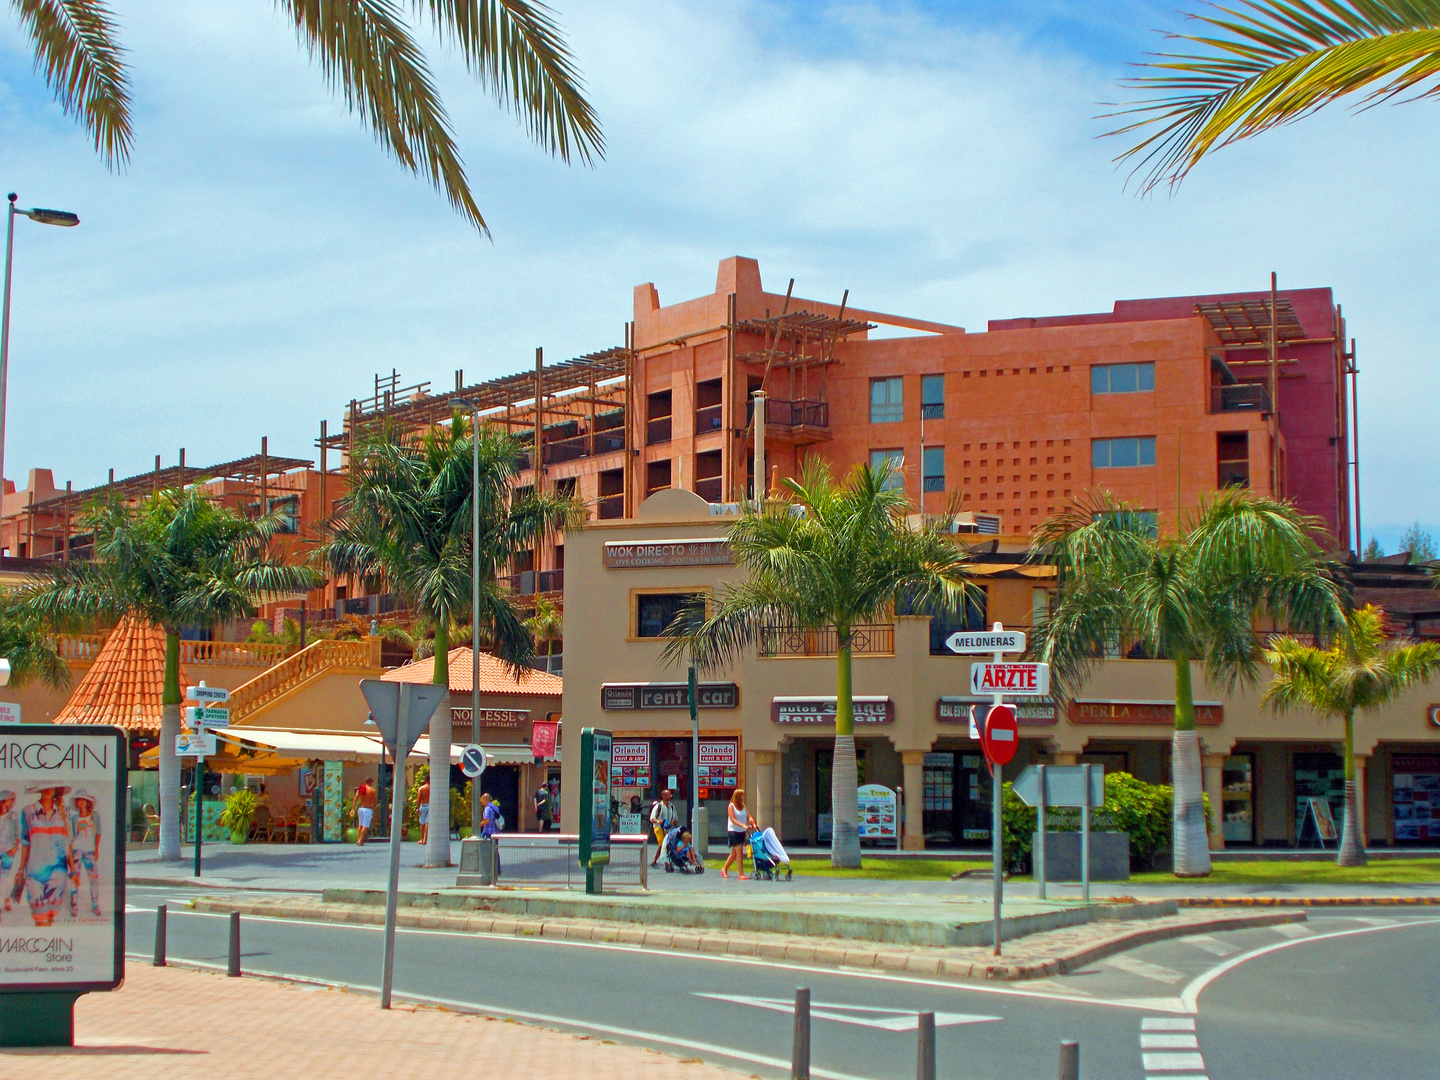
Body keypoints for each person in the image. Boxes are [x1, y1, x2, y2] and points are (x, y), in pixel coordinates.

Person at [10, 783, 73, 926]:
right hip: (35, 872)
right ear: (39, 789)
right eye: (44, 786)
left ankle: (49, 946)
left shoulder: (64, 812)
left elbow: (68, 843)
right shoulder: (28, 811)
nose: (48, 789)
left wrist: (73, 870)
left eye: (52, 786)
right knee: (39, 917)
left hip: (58, 872)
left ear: (57, 790)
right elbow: (25, 843)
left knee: (51, 916)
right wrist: (20, 870)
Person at [68, 789, 102, 919]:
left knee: (94, 879)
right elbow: (71, 837)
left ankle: (95, 904)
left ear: (87, 801)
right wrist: (70, 853)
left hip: (89, 851)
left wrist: (96, 849)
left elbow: (98, 832)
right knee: (75, 878)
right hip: (76, 850)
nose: (81, 802)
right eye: (79, 799)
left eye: (83, 799)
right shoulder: (74, 818)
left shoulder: (95, 815)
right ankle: (74, 905)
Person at [721, 788, 754, 879]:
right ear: (738, 796)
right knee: (739, 851)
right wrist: (743, 825)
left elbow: (749, 816)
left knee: (734, 853)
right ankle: (741, 874)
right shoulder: (731, 806)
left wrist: (753, 823)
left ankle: (724, 869)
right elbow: (733, 819)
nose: (744, 797)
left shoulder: (743, 806)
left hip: (741, 832)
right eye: (742, 795)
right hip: (733, 831)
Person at [649, 789, 678, 867]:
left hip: (667, 829)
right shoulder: (658, 806)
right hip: (658, 828)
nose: (670, 796)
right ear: (663, 796)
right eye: (668, 795)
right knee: (662, 844)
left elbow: (675, 817)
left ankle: (657, 861)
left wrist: (674, 820)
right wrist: (659, 821)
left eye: (670, 795)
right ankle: (663, 862)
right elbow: (652, 818)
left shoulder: (671, 806)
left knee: (666, 845)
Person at [0, 790, 18, 917]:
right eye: (9, 799)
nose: (11, 802)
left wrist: (15, 848)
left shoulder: (13, 815)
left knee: (4, 878)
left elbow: (17, 833)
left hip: (9, 850)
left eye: (12, 799)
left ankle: (4, 899)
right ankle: (5, 898)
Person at [480, 792, 502, 877]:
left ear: (485, 799)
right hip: (495, 832)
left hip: (488, 832)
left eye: (482, 801)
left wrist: (479, 824)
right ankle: (497, 870)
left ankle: (486, 869)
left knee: (482, 850)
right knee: (495, 851)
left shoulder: (487, 809)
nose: (482, 803)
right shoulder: (495, 808)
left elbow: (487, 821)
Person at [351, 777, 377, 846]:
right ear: (370, 782)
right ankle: (360, 840)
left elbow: (355, 798)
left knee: (360, 824)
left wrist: (353, 809)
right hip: (367, 809)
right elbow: (374, 802)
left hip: (360, 808)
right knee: (365, 825)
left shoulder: (361, 788)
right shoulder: (372, 790)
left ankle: (359, 839)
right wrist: (373, 810)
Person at [416, 774, 431, 845]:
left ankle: (422, 839)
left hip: (424, 806)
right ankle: (425, 839)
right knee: (428, 823)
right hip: (431, 806)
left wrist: (418, 808)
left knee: (422, 823)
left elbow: (418, 799)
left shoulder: (421, 788)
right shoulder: (433, 788)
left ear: (425, 780)